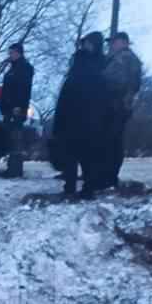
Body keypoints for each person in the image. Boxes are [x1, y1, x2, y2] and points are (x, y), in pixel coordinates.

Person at [51, 33, 113, 199]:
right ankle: (73, 185)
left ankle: (86, 187)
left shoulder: (98, 64)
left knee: (86, 154)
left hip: (88, 115)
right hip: (78, 115)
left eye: (87, 43)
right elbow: (68, 91)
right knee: (74, 152)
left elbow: (102, 93)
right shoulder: (85, 62)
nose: (85, 46)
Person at [103, 31, 143, 188]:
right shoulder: (120, 58)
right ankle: (108, 176)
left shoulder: (126, 58)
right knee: (111, 141)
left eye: (114, 42)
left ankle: (109, 177)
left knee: (113, 142)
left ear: (124, 42)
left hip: (117, 106)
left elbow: (120, 82)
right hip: (116, 105)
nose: (111, 45)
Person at [0, 42, 34, 178]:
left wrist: (19, 106)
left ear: (18, 53)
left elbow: (24, 89)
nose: (10, 55)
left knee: (16, 137)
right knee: (10, 136)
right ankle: (11, 167)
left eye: (12, 53)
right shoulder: (12, 68)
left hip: (17, 108)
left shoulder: (25, 68)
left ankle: (15, 169)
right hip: (8, 107)